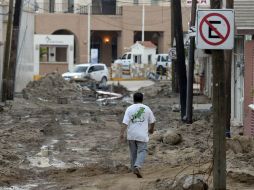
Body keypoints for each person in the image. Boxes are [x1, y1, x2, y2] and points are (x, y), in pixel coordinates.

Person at [120, 92, 156, 178]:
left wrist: (121, 133)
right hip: (142, 135)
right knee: (142, 151)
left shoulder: (129, 108)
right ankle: (137, 166)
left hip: (131, 135)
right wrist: (151, 129)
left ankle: (134, 169)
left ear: (133, 99)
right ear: (142, 99)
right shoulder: (147, 108)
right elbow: (153, 121)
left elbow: (125, 122)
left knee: (133, 153)